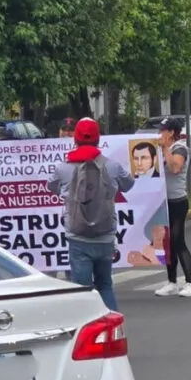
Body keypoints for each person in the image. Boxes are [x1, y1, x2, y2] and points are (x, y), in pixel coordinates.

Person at [47, 118, 135, 311]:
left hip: (77, 237)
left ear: (75, 139)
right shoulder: (111, 166)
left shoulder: (63, 167)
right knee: (105, 285)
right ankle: (113, 328)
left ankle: (88, 334)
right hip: (105, 236)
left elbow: (51, 186)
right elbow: (129, 185)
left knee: (82, 291)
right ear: (98, 138)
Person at [153, 118, 191, 297]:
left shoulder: (179, 148)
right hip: (164, 202)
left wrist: (164, 149)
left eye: (162, 130)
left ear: (171, 132)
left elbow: (175, 168)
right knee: (167, 244)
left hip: (177, 201)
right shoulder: (162, 149)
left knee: (178, 241)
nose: (159, 134)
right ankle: (172, 282)